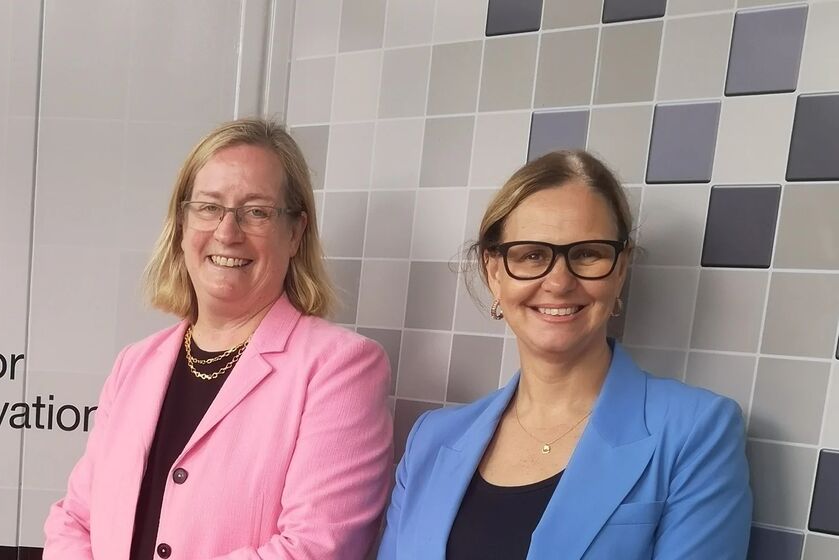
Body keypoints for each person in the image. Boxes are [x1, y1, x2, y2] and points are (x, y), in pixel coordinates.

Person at [44, 119, 394, 559]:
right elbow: (75, 518)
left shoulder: (341, 368)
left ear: (295, 232)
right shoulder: (135, 364)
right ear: (182, 224)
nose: (227, 232)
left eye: (256, 212)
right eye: (209, 208)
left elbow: (315, 548)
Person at [378, 150, 751, 559]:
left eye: (588, 253)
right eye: (531, 255)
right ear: (494, 272)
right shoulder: (432, 438)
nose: (558, 282)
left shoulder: (696, 432)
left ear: (621, 269)